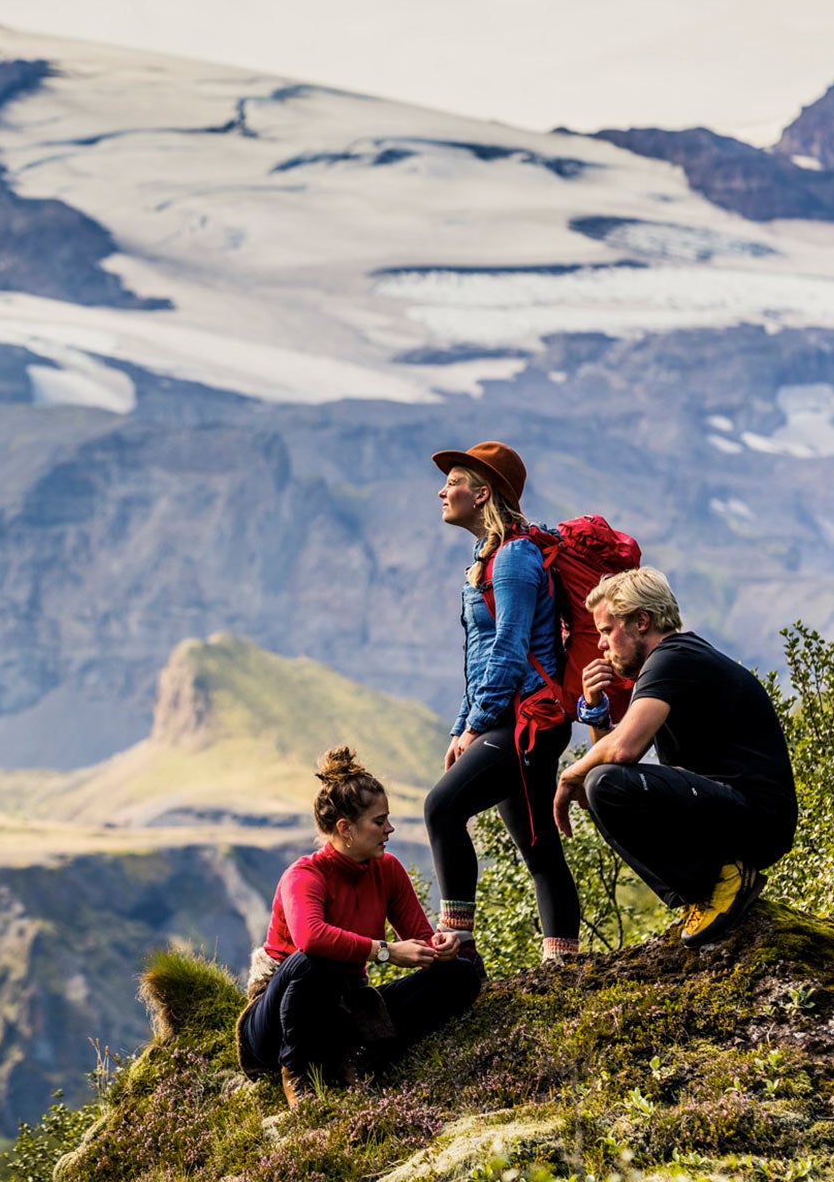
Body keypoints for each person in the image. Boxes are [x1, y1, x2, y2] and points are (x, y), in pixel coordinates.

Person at [552, 568, 799, 948]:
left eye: (606, 630)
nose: (601, 645)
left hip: (756, 817)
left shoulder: (673, 658)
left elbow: (622, 752)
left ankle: (724, 883)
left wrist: (569, 775)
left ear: (641, 621)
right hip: (737, 813)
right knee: (601, 784)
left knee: (600, 784)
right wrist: (596, 711)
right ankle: (705, 894)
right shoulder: (673, 661)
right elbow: (614, 760)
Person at [237, 746, 482, 1105]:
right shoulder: (303, 876)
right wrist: (385, 952)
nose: (389, 828)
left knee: (461, 975)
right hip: (275, 1025)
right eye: (379, 821)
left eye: (387, 819)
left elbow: (419, 937)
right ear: (345, 828)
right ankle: (297, 1072)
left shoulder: (388, 870)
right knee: (314, 961)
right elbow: (311, 938)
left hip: (343, 1008)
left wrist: (440, 947)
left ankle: (355, 1056)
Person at [425, 441, 582, 964]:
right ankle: (562, 959)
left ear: (483, 492)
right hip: (517, 718)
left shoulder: (513, 557)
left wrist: (477, 726)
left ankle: (460, 949)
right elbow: (480, 656)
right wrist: (460, 726)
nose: (443, 490)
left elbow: (510, 650)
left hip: (527, 720)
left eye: (455, 482)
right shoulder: (490, 555)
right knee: (536, 845)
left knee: (442, 807)